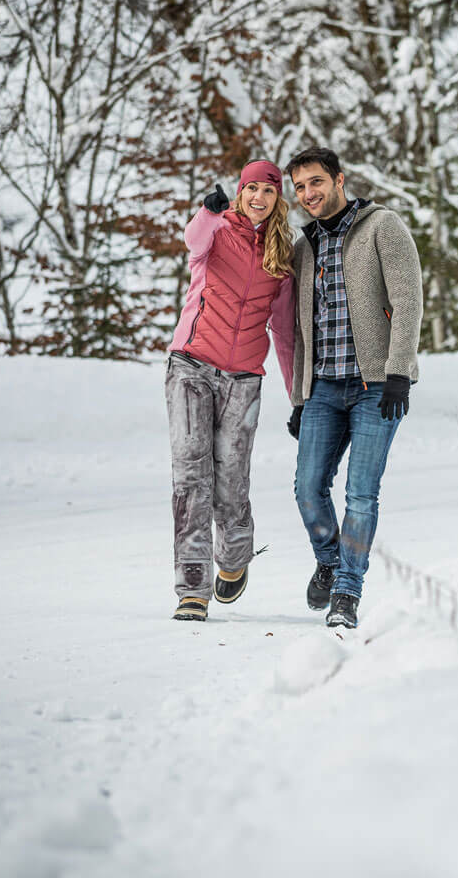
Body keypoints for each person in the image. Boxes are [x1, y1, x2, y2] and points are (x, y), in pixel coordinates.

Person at [285, 146, 422, 629]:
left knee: (361, 494)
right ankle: (330, 559)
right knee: (306, 488)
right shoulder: (304, 247)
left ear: (339, 179)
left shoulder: (383, 226)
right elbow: (302, 327)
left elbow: (408, 300)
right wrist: (300, 397)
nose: (308, 194)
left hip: (376, 386)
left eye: (316, 182)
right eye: (299, 187)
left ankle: (347, 591)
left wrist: (399, 371)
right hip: (323, 386)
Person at [166, 160, 296, 622]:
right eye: (251, 189)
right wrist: (208, 212)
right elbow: (192, 241)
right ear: (240, 193)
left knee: (231, 480)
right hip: (191, 367)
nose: (258, 197)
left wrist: (296, 394)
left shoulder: (282, 256)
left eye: (268, 190)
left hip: (243, 378)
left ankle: (235, 555)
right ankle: (192, 589)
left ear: (279, 198)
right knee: (191, 477)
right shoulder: (217, 230)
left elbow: (283, 331)